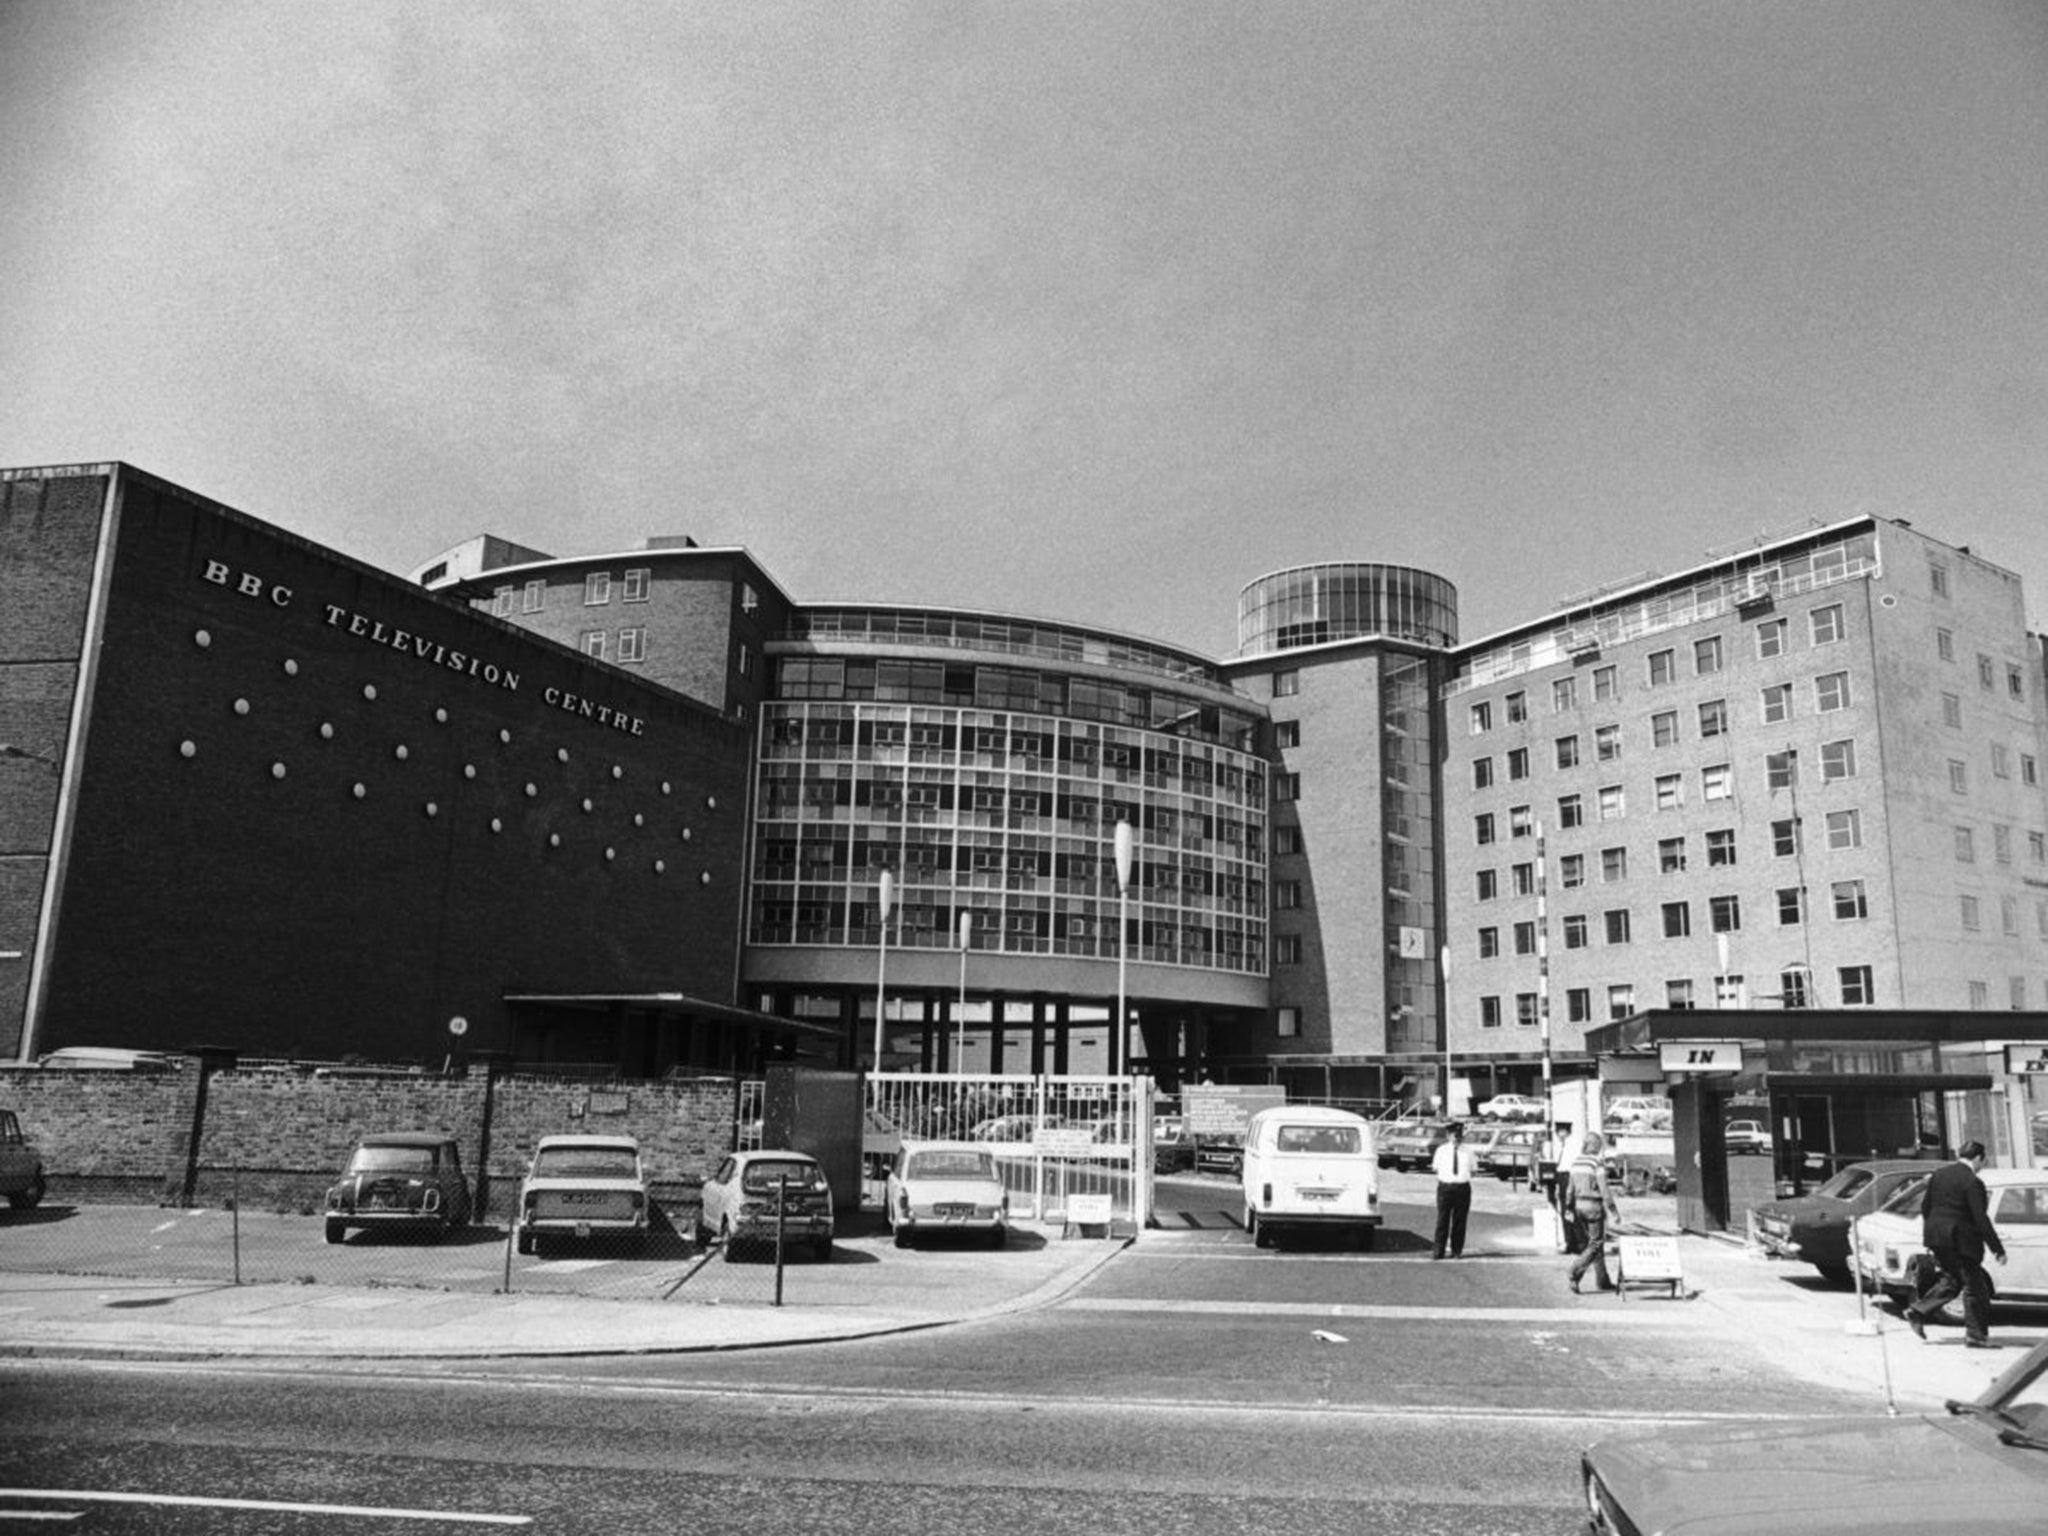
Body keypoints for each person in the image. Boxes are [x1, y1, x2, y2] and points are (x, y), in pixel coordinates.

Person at [1904, 1139, 2007, 1348]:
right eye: (1983, 1161)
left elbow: (1926, 1207)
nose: (1982, 1166)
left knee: (1952, 1281)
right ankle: (1976, 1336)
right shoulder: (1972, 1182)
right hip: (1960, 1241)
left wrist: (1934, 1231)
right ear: (1978, 1158)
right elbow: (1981, 1218)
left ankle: (1917, 1311)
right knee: (1976, 1288)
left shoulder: (1939, 1175)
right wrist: (1997, 1249)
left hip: (1936, 1237)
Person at [1566, 1132, 1619, 1293]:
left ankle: (1602, 1281)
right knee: (1595, 1244)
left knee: (1594, 1245)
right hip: (1594, 1206)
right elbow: (1604, 1190)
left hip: (1578, 1206)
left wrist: (1568, 1208)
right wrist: (1613, 1210)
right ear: (1596, 1146)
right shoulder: (1597, 1164)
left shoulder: (1576, 1163)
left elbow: (1569, 1190)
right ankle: (1573, 1271)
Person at [1430, 1122, 1475, 1259]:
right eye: (1455, 1136)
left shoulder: (1469, 1151)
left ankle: (1456, 1250)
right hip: (1445, 1188)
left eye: (1460, 1136)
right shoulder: (1441, 1150)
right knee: (1442, 1220)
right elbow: (1435, 1168)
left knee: (1460, 1221)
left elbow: (1473, 1170)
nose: (1457, 1139)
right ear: (1448, 1136)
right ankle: (1439, 1251)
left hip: (1462, 1188)